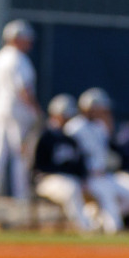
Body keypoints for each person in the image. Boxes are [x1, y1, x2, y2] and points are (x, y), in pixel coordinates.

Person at [63, 87, 129, 235]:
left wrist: (108, 124)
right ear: (89, 107)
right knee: (107, 193)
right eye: (100, 108)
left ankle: (97, 219)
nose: (103, 111)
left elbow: (111, 148)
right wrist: (81, 176)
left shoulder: (100, 126)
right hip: (87, 176)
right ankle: (114, 230)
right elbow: (71, 157)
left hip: (104, 174)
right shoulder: (73, 127)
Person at [0, 19, 39, 199]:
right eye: (26, 39)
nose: (29, 43)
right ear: (16, 38)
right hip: (17, 110)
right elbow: (24, 90)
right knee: (20, 153)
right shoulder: (18, 58)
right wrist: (36, 110)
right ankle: (21, 196)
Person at [33, 94, 95, 233]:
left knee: (95, 189)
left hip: (71, 180)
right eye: (65, 115)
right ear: (55, 114)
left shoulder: (71, 138)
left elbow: (80, 164)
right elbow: (37, 165)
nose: (68, 119)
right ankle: (85, 229)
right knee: (70, 189)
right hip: (47, 179)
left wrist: (82, 178)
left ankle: (99, 225)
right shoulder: (44, 136)